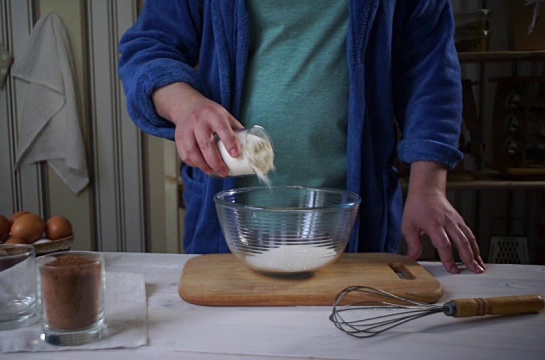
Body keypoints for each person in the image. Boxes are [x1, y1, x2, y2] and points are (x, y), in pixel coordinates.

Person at [118, 0, 486, 275]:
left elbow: (431, 74)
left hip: (353, 231)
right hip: (225, 232)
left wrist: (429, 187)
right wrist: (186, 106)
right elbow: (148, 47)